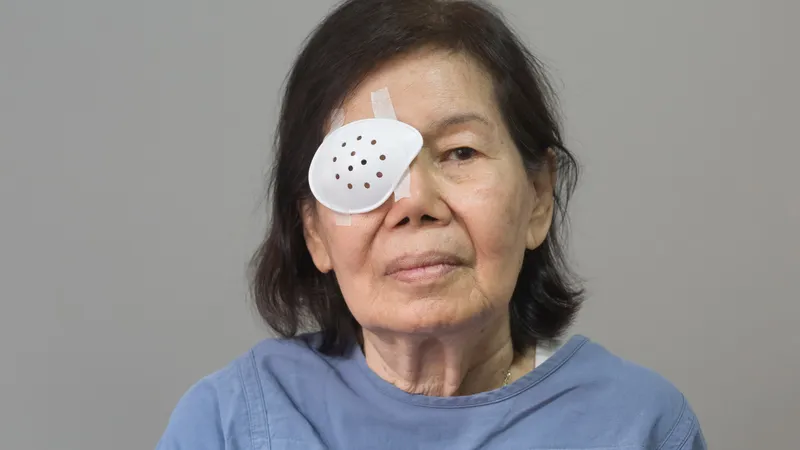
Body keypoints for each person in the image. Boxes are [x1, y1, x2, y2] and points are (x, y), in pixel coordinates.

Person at [157, 0, 706, 448]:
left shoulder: (640, 426)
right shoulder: (230, 423)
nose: (414, 200)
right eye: (362, 167)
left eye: (460, 153)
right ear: (315, 232)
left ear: (539, 196)